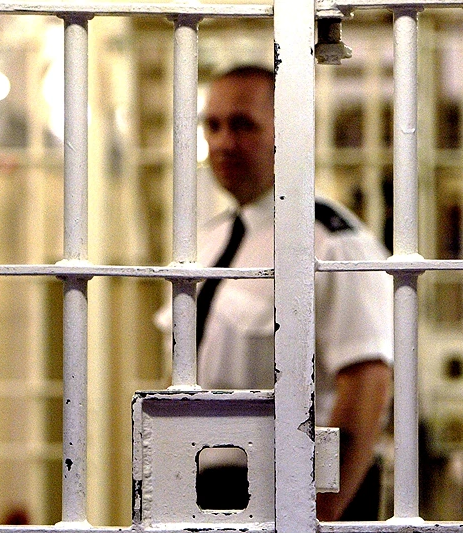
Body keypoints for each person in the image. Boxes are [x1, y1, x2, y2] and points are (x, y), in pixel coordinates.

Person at [160, 65, 393, 521]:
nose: (224, 142)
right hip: (204, 485)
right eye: (213, 125)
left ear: (285, 131)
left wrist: (316, 511)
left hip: (292, 488)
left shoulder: (331, 242)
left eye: (243, 125)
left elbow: (367, 381)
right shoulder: (207, 243)